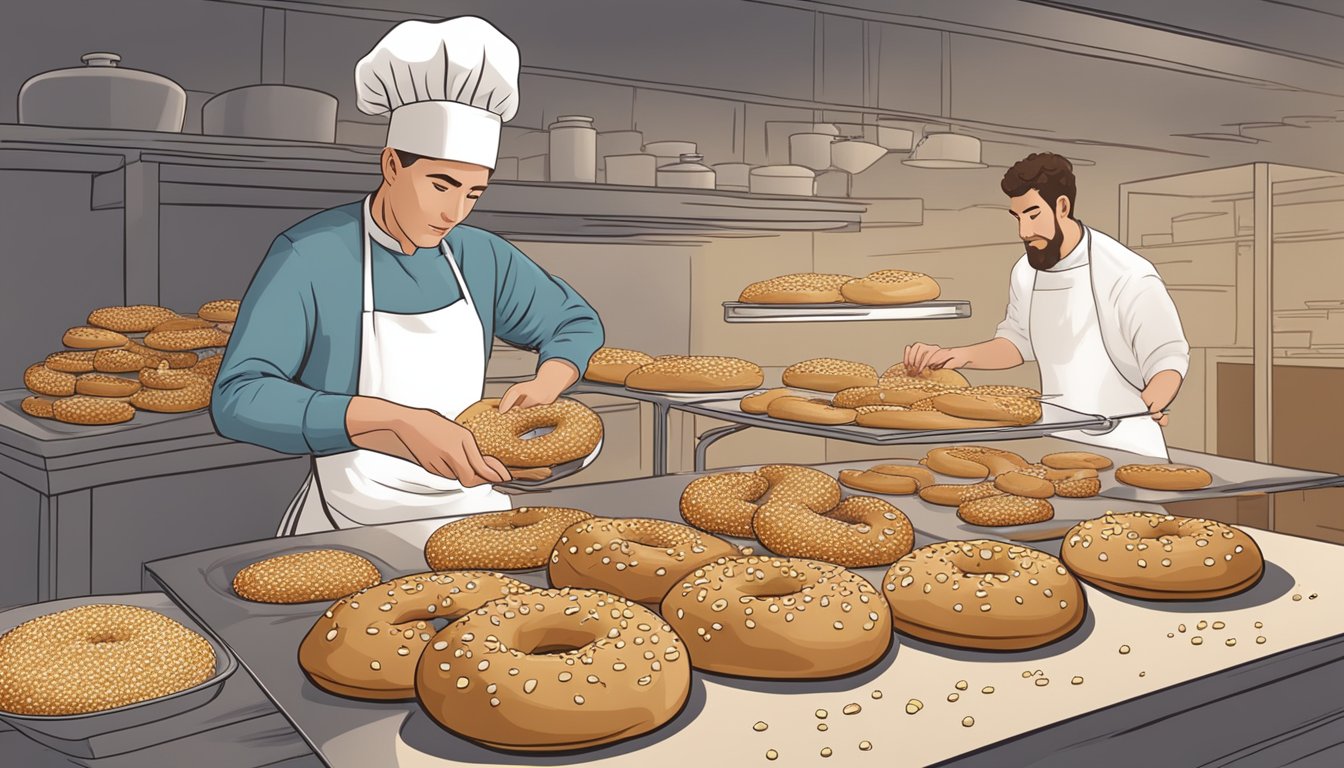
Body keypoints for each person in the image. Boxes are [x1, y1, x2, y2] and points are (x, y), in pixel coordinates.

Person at [211, 16, 604, 534]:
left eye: (472, 193)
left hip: (471, 509)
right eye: (440, 186)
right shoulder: (311, 255)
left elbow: (573, 321)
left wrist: (549, 380)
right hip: (348, 520)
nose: (454, 212)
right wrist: (394, 419)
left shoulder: (479, 256)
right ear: (392, 164)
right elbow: (240, 398)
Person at [904, 152, 1188, 458]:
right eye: (1018, 218)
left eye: (1033, 215)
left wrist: (1156, 397)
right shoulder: (1026, 272)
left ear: (1062, 207)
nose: (1023, 232)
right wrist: (955, 356)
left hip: (1127, 446)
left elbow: (1167, 358)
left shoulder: (1128, 273)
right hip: (1057, 446)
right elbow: (1017, 343)